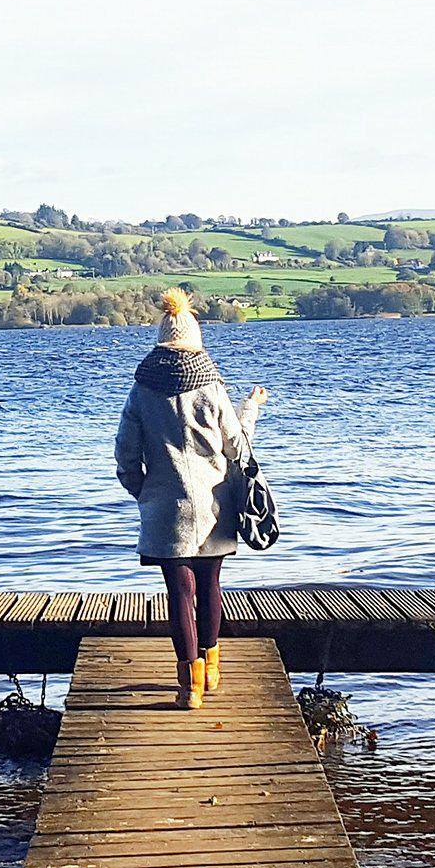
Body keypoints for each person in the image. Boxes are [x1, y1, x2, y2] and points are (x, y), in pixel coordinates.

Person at [114, 289, 268, 709]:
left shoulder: (141, 392)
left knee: (179, 591)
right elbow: (237, 446)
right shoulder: (211, 387)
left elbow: (125, 454)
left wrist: (141, 490)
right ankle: (212, 668)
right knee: (210, 583)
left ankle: (189, 686)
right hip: (215, 503)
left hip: (165, 508)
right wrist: (250, 409)